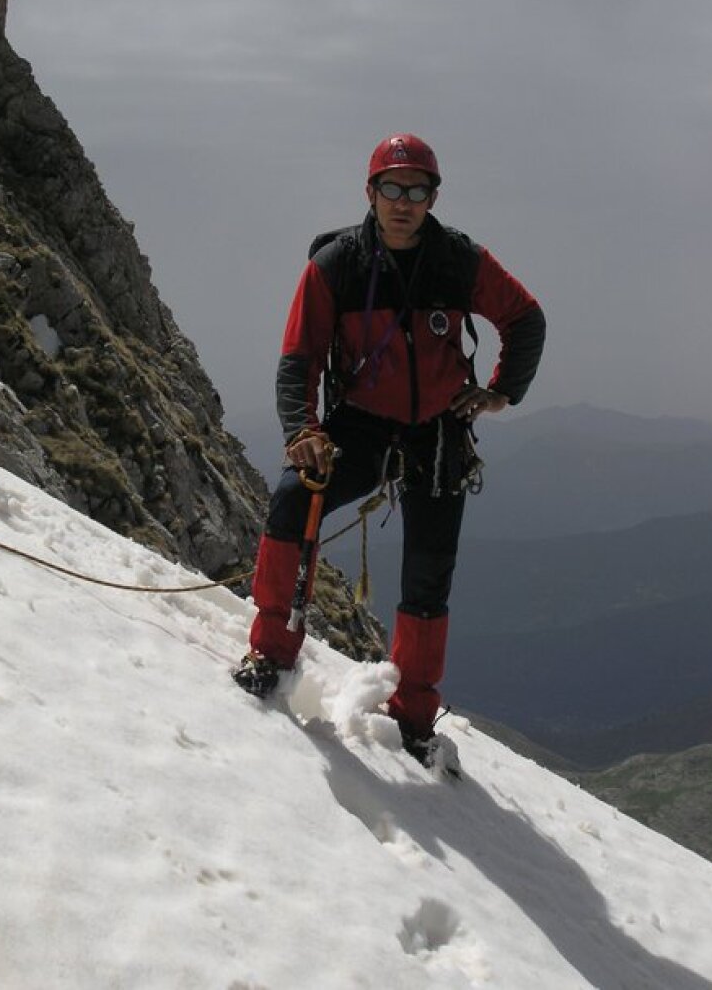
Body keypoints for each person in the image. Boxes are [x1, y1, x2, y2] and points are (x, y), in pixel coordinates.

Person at [233, 133, 546, 767]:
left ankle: (412, 717)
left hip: (437, 430)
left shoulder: (459, 260)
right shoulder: (336, 265)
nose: (404, 202)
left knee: (429, 573)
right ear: (370, 192)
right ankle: (271, 653)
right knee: (295, 501)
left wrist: (501, 393)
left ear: (433, 197)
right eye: (392, 188)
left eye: (417, 190)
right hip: (363, 425)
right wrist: (304, 433)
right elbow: (299, 359)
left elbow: (525, 318)